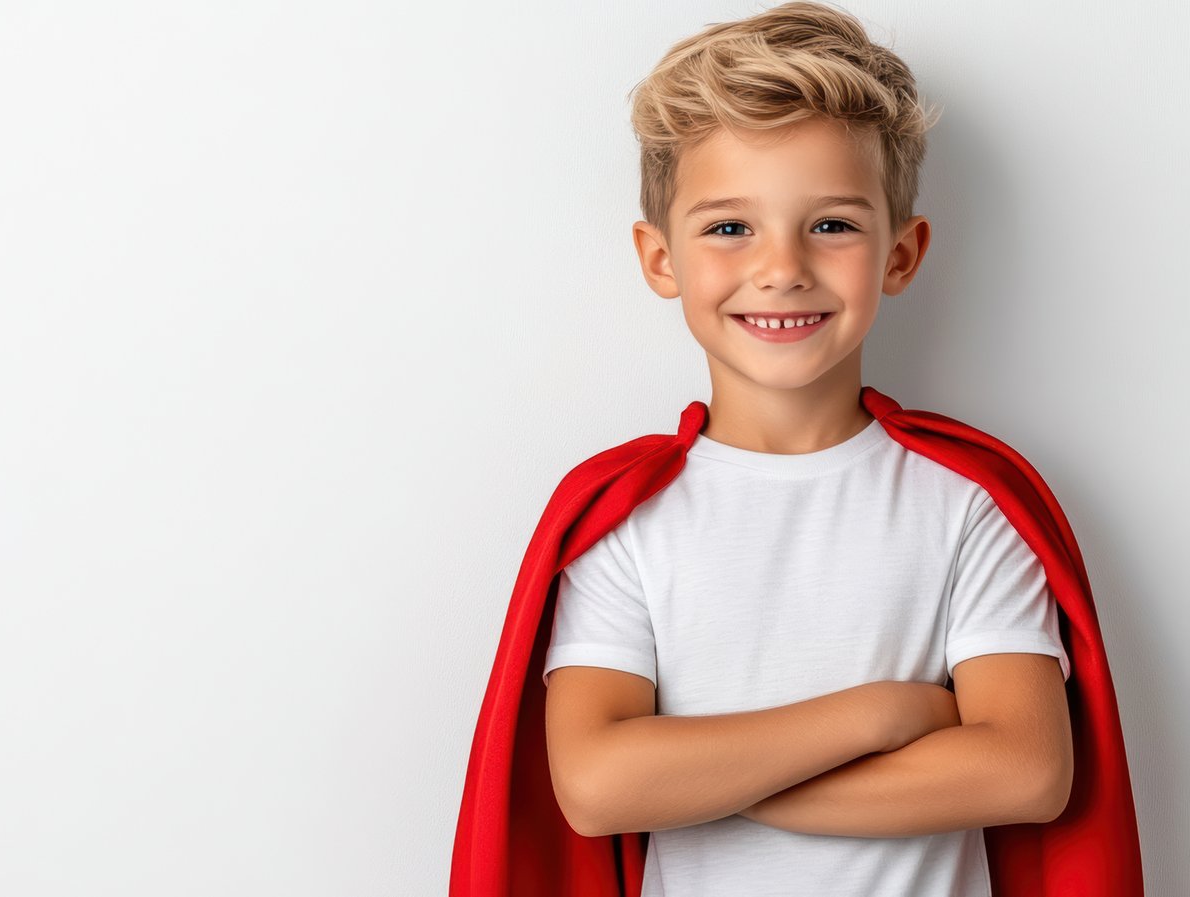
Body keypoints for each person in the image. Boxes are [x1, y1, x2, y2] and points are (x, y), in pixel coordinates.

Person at [451, 3, 1142, 895]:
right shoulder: (623, 518)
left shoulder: (966, 502)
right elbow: (595, 786)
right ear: (660, 258)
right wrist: (883, 712)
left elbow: (1026, 772)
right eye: (730, 227)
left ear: (901, 253)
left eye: (832, 225)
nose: (782, 268)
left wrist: (700, 779)